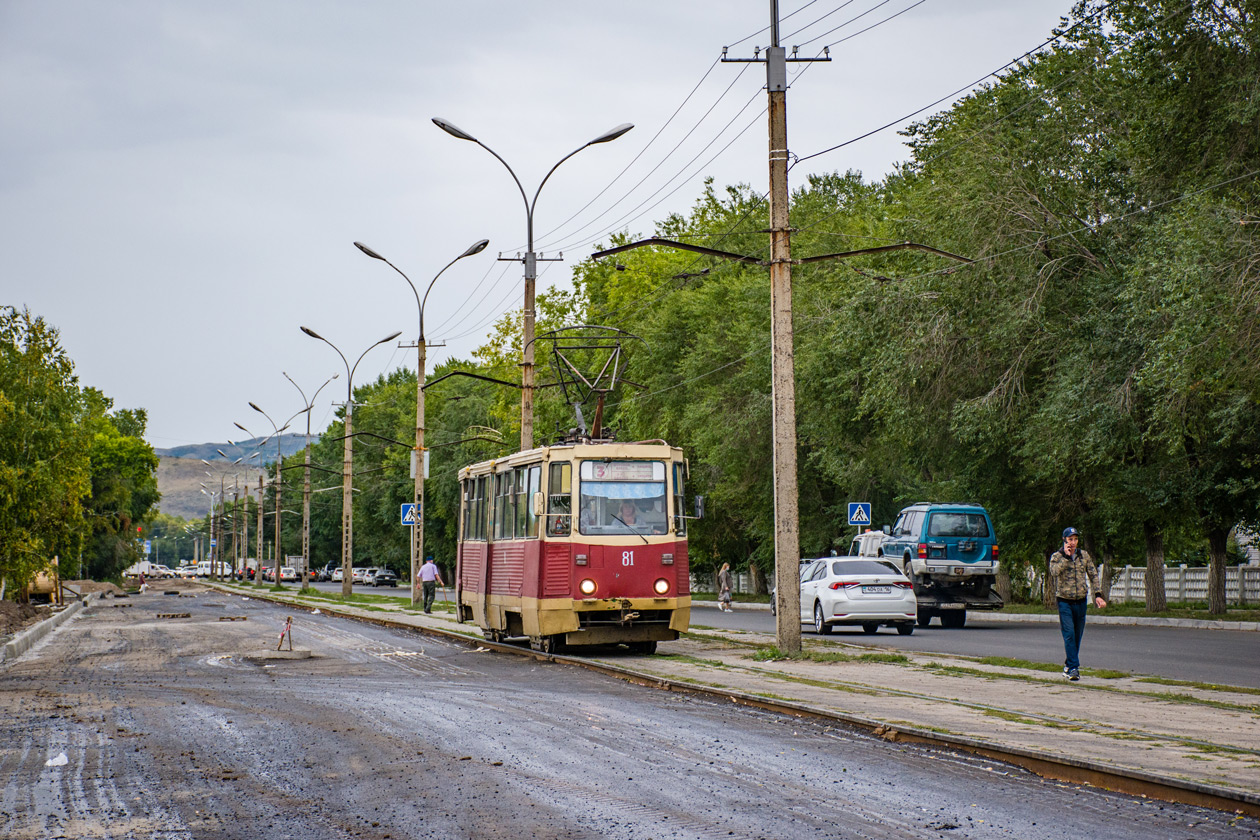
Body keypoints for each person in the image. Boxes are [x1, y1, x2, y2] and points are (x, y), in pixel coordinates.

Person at [1048, 527, 1107, 681]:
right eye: (1070, 539)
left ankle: (1068, 665)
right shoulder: (1057, 556)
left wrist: (1098, 595)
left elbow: (1093, 575)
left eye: (1075, 539)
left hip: (1080, 601)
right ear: (1064, 540)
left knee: (1077, 635)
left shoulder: (1083, 555)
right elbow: (1054, 572)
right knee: (1069, 635)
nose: (1073, 543)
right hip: (1064, 601)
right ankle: (1074, 668)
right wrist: (1066, 558)